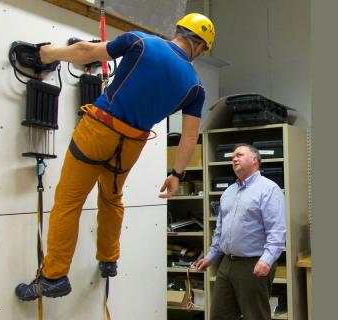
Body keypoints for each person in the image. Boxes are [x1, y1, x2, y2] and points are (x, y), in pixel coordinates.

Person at [15, 13, 216, 301]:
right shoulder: (195, 87)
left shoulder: (142, 42)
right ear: (201, 47)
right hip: (132, 145)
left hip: (99, 131)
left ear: (179, 30)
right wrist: (176, 174)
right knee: (111, 197)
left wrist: (48, 54)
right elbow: (188, 136)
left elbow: (85, 52)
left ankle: (54, 276)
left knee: (69, 201)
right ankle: (109, 258)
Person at [195, 144, 286, 320]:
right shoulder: (229, 192)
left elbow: (277, 230)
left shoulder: (269, 189)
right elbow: (220, 229)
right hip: (226, 264)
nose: (234, 159)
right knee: (219, 315)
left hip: (253, 264)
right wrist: (211, 256)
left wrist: (266, 260)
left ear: (254, 160)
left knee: (255, 316)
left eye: (239, 155)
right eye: (232, 157)